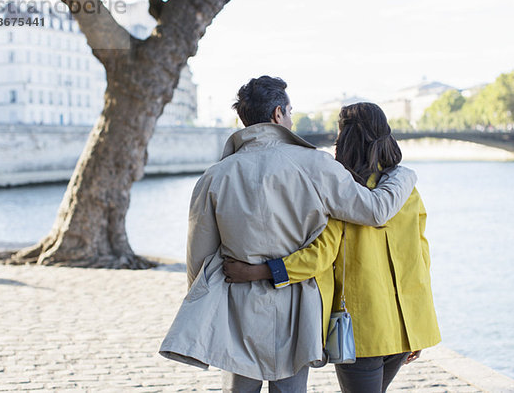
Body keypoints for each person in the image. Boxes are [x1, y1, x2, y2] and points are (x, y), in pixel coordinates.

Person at [159, 77, 418, 393]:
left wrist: (203, 306)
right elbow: (374, 211)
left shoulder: (215, 175)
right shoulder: (316, 164)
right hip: (298, 305)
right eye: (291, 111)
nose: (292, 119)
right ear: (279, 113)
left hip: (236, 300)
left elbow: (198, 256)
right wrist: (404, 175)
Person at [223, 102, 441, 393]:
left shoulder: (341, 191)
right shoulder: (406, 191)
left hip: (361, 332)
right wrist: (414, 329)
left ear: (345, 139)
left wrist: (262, 271)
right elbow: (421, 259)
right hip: (405, 327)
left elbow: (320, 255)